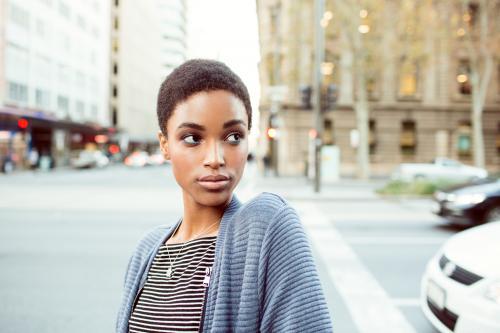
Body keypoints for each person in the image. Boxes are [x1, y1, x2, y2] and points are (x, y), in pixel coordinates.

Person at [116, 59, 333, 333]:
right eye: (193, 138)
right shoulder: (146, 251)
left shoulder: (266, 228)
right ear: (165, 145)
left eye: (233, 137)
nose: (216, 159)